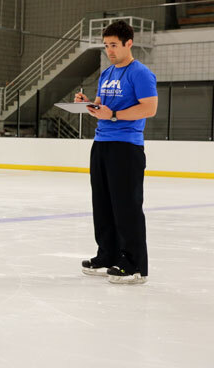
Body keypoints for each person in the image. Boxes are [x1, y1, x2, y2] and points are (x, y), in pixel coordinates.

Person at [74, 20, 157, 284]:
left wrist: (115, 115)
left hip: (126, 147)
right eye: (106, 45)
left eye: (114, 45)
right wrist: (87, 103)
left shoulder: (140, 73)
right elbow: (101, 105)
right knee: (103, 204)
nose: (109, 50)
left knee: (126, 207)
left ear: (128, 43)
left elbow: (149, 108)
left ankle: (134, 265)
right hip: (102, 144)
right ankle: (108, 255)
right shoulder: (107, 73)